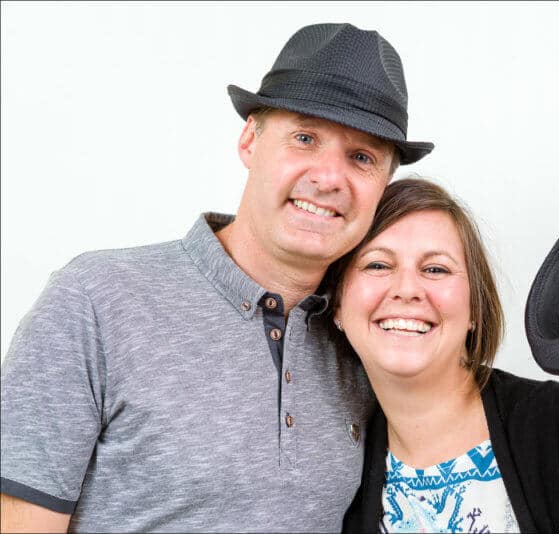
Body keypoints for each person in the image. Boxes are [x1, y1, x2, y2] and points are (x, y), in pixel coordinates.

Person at [0, 23, 433, 532]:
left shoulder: (364, 335)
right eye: (304, 138)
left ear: (384, 184)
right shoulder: (97, 297)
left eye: (361, 157)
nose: (329, 177)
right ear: (250, 140)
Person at [331, 178, 559, 533]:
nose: (407, 288)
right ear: (337, 307)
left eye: (435, 268)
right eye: (377, 264)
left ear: (475, 309)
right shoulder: (341, 469)